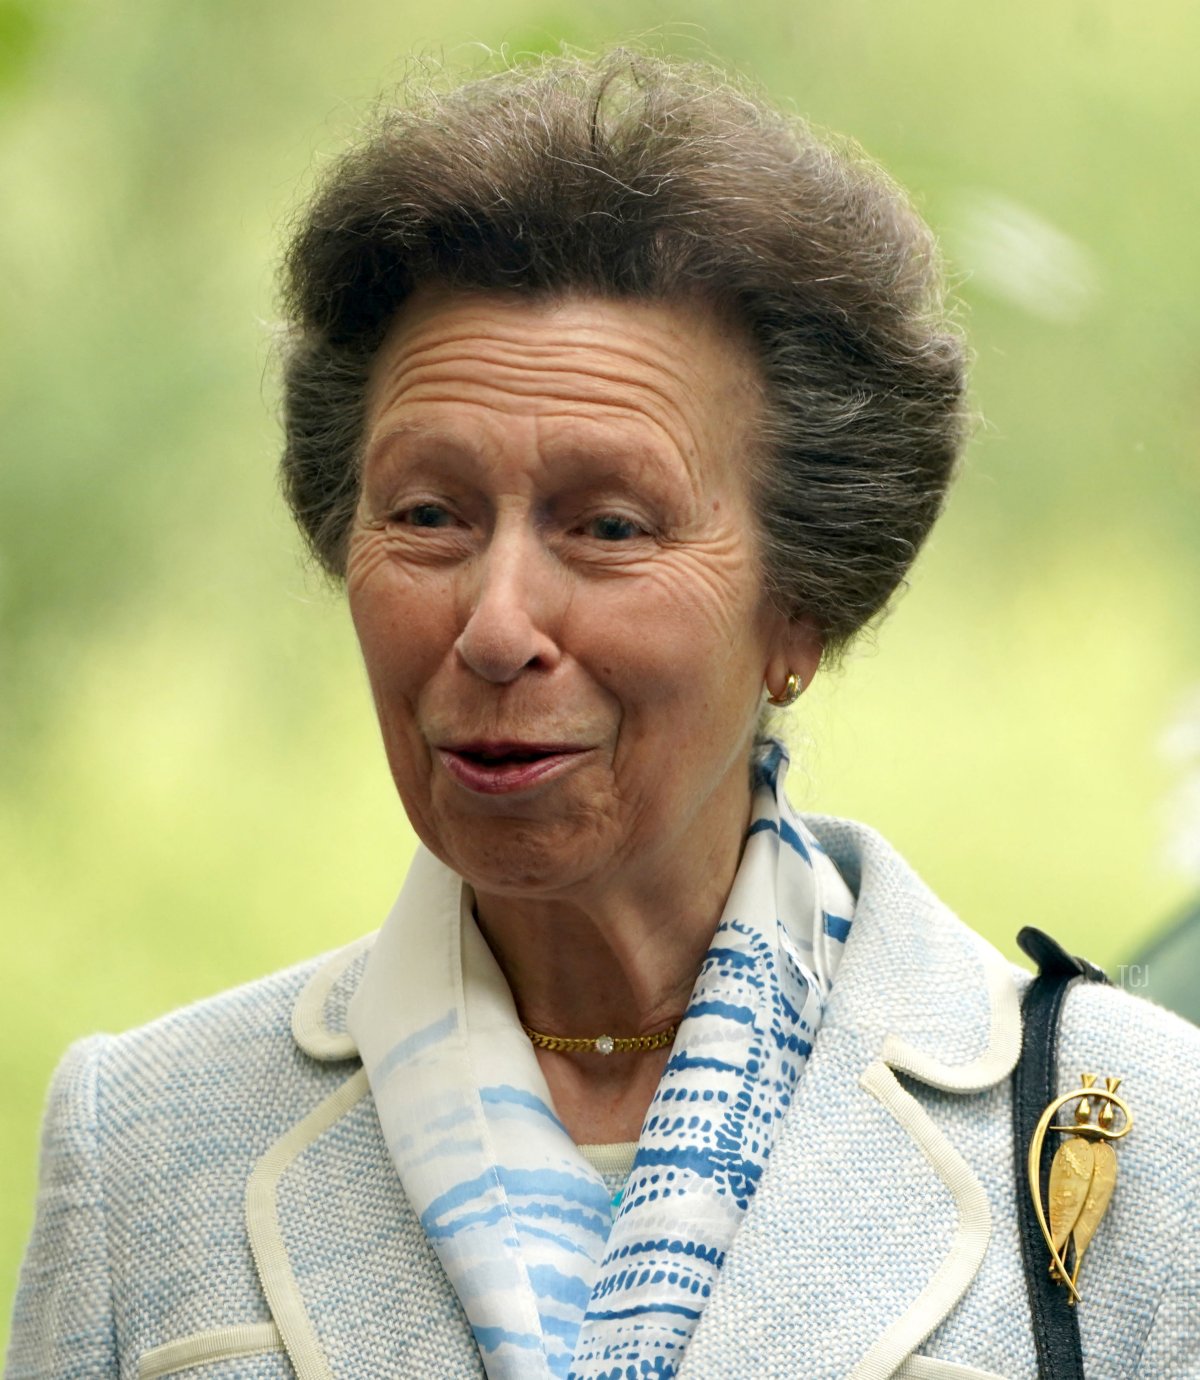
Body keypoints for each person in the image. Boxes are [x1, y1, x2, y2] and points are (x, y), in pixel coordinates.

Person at [8, 51, 1199, 1380]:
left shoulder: (1138, 1138)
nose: (496, 623)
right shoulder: (145, 1144)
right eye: (428, 515)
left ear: (800, 606)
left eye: (610, 525)